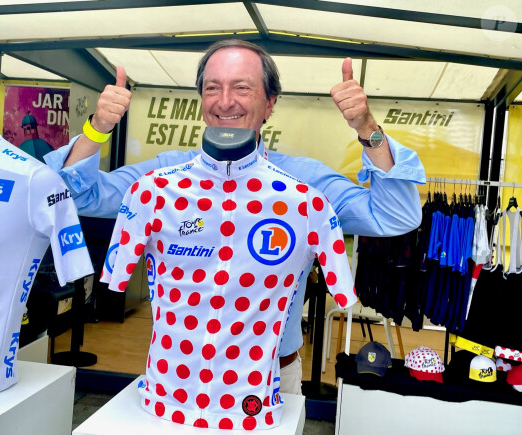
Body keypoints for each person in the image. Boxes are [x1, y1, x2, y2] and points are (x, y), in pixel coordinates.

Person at [45, 39, 425, 395]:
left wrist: (367, 129)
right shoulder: (164, 175)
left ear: (270, 103)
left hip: (270, 379)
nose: (225, 102)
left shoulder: (305, 182)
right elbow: (78, 194)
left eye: (241, 88)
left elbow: (395, 216)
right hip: (177, 375)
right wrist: (98, 128)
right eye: (212, 88)